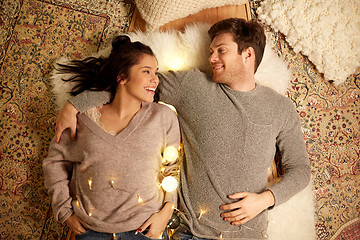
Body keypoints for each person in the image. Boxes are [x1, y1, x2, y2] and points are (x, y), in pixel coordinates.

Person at [54, 18, 311, 239]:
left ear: (248, 55)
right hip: (189, 231)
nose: (211, 58)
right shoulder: (191, 85)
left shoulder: (280, 108)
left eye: (221, 50)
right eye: (211, 50)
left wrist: (265, 199)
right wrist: (74, 105)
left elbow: (300, 170)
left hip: (248, 234)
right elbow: (131, 86)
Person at [43, 35, 181, 240]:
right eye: (146, 72)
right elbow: (54, 162)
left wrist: (167, 212)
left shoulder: (163, 117)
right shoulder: (81, 119)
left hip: (146, 229)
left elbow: (173, 168)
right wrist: (65, 212)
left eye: (156, 72)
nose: (156, 79)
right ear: (121, 77)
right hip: (91, 230)